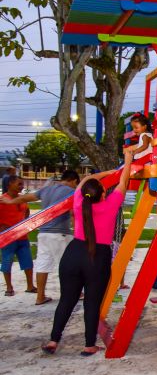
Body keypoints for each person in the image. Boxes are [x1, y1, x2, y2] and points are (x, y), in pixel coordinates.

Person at [42, 151, 133, 356]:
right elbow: (123, 182)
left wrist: (108, 172)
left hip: (73, 253)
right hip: (97, 256)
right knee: (92, 302)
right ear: (102, 194)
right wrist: (126, 163)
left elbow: (86, 180)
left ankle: (53, 341)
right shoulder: (109, 205)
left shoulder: (78, 201)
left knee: (67, 300)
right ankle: (88, 345)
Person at [0, 170, 80, 305]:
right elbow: (76, 211)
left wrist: (10, 202)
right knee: (68, 265)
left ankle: (40, 296)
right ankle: (73, 293)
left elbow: (26, 198)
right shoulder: (70, 191)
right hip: (59, 233)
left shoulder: (47, 189)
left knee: (42, 265)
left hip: (43, 233)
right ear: (74, 181)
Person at [1, 175, 35, 296]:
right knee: (7, 261)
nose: (21, 187)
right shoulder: (2, 200)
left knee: (28, 262)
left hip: (22, 236)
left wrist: (25, 224)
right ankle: (9, 287)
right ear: (10, 184)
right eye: (19, 184)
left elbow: (27, 212)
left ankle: (30, 286)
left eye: (22, 184)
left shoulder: (22, 199)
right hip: (8, 238)